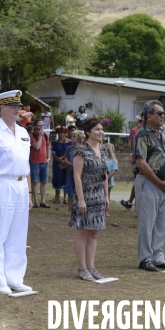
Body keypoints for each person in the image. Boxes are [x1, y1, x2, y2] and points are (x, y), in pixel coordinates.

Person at [0, 90, 33, 295]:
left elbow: (25, 165)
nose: (17, 110)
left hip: (20, 185)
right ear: (2, 108)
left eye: (19, 107)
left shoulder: (23, 132)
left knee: (18, 234)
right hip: (1, 184)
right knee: (0, 234)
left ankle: (15, 278)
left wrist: (28, 193)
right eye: (13, 107)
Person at [134, 100, 165, 272]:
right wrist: (158, 182)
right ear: (148, 116)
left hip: (163, 185)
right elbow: (141, 163)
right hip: (149, 183)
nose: (163, 116)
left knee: (160, 223)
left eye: (163, 113)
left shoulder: (162, 135)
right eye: (159, 113)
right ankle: (145, 259)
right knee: (147, 223)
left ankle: (157, 257)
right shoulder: (142, 135)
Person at [69, 117, 109, 281]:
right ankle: (82, 268)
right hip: (85, 195)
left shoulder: (104, 150)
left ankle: (91, 267)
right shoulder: (81, 151)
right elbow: (76, 177)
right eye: (97, 129)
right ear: (88, 132)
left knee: (94, 233)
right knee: (83, 233)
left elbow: (104, 174)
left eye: (101, 129)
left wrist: (106, 195)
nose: (101, 132)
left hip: (99, 195)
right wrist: (80, 199)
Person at [122, 113, 144, 210]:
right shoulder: (136, 130)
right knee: (140, 182)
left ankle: (132, 203)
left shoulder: (135, 130)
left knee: (139, 182)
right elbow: (130, 145)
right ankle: (136, 206)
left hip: (138, 159)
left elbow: (130, 145)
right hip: (141, 160)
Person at [29, 120, 51, 208]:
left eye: (43, 125)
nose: (41, 126)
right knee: (34, 182)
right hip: (35, 162)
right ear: (35, 126)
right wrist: (40, 136)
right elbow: (37, 146)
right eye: (39, 125)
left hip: (44, 162)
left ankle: (43, 201)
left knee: (44, 182)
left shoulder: (46, 135)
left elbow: (48, 147)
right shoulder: (32, 136)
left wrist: (48, 158)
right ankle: (35, 201)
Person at [64, 130, 85, 213]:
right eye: (71, 136)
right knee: (70, 191)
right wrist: (71, 164)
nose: (72, 138)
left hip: (81, 174)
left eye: (74, 137)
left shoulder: (84, 149)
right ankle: (70, 209)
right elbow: (65, 159)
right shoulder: (69, 148)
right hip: (70, 172)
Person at [51, 126, 72, 204]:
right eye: (59, 132)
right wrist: (59, 160)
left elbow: (70, 152)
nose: (61, 134)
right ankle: (57, 197)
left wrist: (64, 159)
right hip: (57, 163)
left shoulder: (69, 142)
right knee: (58, 178)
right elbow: (53, 153)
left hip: (66, 162)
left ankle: (65, 198)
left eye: (62, 132)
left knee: (66, 178)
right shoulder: (55, 142)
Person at [104, 142, 118, 216]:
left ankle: (106, 211)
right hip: (102, 180)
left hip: (109, 182)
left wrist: (106, 178)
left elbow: (114, 171)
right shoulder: (102, 159)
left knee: (107, 195)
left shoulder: (113, 161)